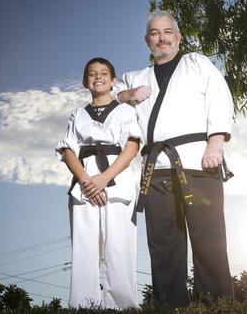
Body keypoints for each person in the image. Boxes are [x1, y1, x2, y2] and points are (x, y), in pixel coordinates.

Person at [116, 11, 234, 306]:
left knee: (208, 237)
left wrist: (216, 142)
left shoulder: (197, 63)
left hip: (199, 160)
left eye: (168, 31)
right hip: (156, 168)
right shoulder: (135, 77)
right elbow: (105, 93)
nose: (162, 37)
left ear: (178, 37)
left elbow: (219, 96)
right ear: (147, 41)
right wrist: (126, 94)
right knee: (164, 242)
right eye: (155, 33)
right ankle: (171, 306)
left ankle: (216, 304)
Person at [56, 57, 141, 309]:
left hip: (116, 182)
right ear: (85, 81)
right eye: (92, 74)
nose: (98, 77)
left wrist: (103, 179)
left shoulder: (126, 111)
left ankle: (123, 306)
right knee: (84, 249)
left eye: (104, 73)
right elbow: (68, 150)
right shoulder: (77, 114)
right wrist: (86, 182)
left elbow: (132, 146)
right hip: (84, 184)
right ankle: (84, 305)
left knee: (119, 247)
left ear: (113, 80)